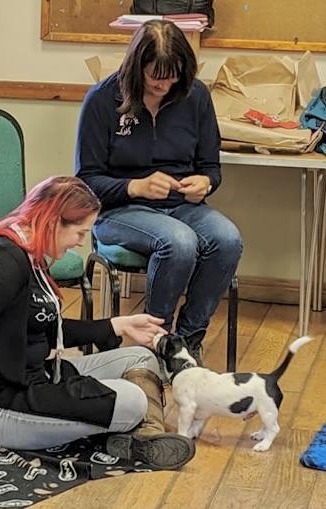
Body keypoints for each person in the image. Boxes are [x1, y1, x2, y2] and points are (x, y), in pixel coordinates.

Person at [0, 176, 195, 471]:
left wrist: (117, 326)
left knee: (140, 357)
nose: (81, 242)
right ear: (52, 222)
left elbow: (44, 329)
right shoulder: (3, 264)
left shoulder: (28, 252)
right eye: (80, 232)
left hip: (34, 378)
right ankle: (138, 437)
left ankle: (141, 439)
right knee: (133, 401)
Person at [75, 20, 242, 363]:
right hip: (118, 209)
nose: (165, 84)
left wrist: (205, 183)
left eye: (173, 76)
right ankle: (154, 341)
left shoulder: (195, 96)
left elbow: (211, 167)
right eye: (156, 76)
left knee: (227, 239)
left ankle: (187, 341)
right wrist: (134, 186)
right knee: (179, 242)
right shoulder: (103, 100)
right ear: (137, 69)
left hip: (182, 206)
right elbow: (87, 181)